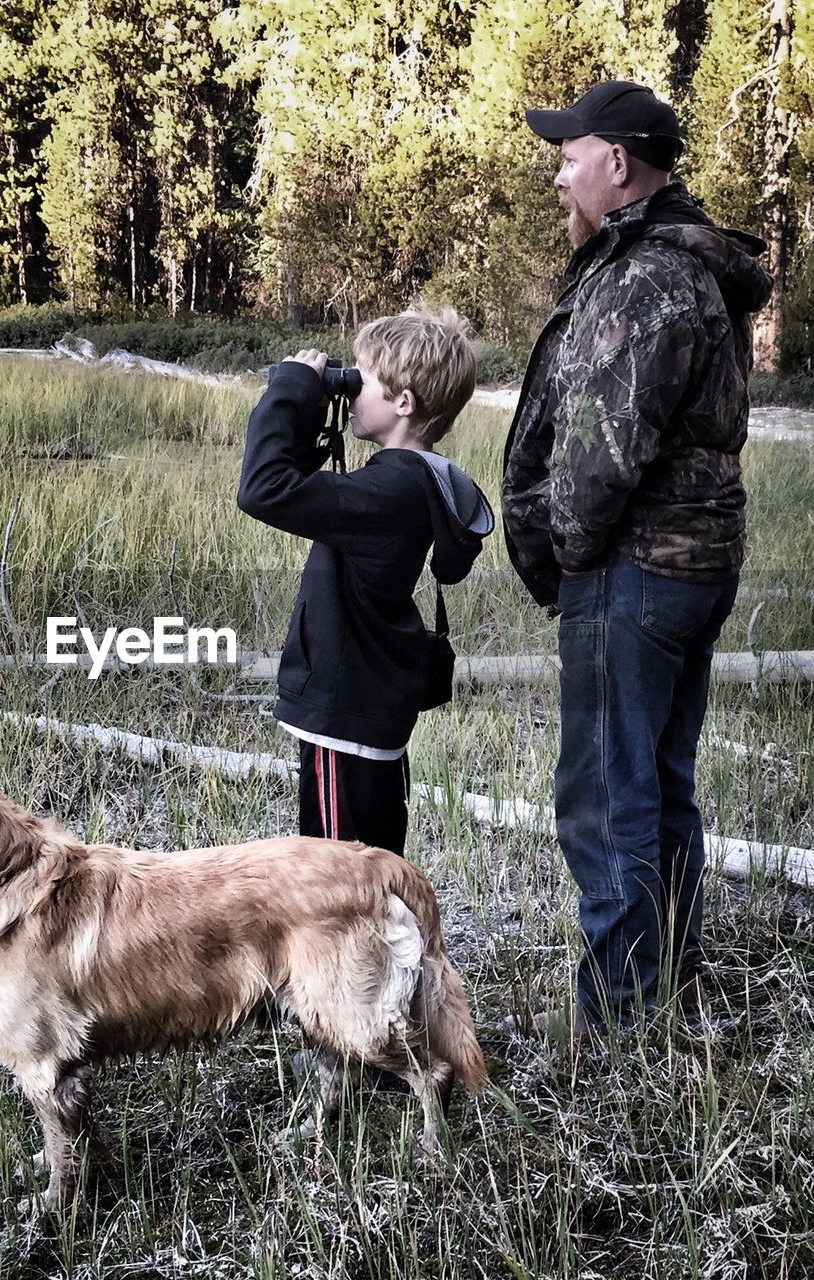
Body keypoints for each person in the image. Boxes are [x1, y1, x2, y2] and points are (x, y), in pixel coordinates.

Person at [502, 81, 774, 1033]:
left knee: (605, 801)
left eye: (568, 153)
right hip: (682, 564)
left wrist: (564, 557)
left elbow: (595, 461)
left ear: (616, 163)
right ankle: (668, 987)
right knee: (657, 787)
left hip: (634, 569)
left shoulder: (645, 278)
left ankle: (618, 1019)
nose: (559, 172)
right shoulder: (670, 265)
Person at [239, 307, 494, 857]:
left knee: (339, 877)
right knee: (375, 870)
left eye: (362, 379)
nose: (351, 389)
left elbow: (263, 488)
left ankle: (360, 950)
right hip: (369, 710)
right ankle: (389, 946)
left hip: (344, 713)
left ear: (404, 402)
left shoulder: (388, 490)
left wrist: (289, 390)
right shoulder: (413, 481)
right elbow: (301, 488)